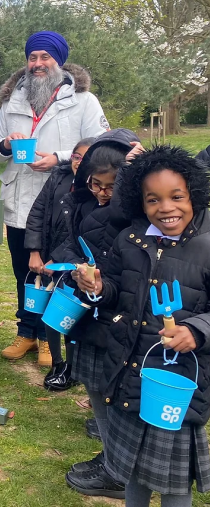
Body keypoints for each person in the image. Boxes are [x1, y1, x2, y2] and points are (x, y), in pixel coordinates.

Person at [73, 145, 210, 506]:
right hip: (129, 371)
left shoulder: (207, 246)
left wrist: (196, 330)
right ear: (140, 201)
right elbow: (117, 294)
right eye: (153, 200)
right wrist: (99, 287)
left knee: (172, 482)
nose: (166, 208)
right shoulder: (130, 240)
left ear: (193, 193)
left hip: (178, 382)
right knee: (132, 469)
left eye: (177, 197)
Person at [0, 31, 109, 365]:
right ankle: (26, 331)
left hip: (62, 204)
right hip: (18, 201)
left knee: (56, 271)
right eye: (32, 57)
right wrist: (7, 146)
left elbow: (101, 148)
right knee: (22, 270)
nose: (38, 64)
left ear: (59, 60)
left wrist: (57, 157)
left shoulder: (83, 101)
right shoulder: (13, 99)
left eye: (45, 57)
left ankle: (47, 336)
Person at [53, 129, 141, 499]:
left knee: (112, 393)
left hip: (117, 315)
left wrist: (139, 168)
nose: (103, 192)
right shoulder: (85, 205)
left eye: (112, 186)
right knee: (94, 387)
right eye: (96, 184)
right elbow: (69, 241)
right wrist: (72, 263)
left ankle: (119, 474)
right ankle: (111, 459)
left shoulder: (134, 215)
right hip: (89, 310)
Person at [25, 137, 93, 385]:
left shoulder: (97, 187)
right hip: (48, 259)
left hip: (76, 264)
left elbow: (82, 232)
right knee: (49, 316)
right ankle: (57, 364)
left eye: (85, 158)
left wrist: (58, 258)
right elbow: (37, 212)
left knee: (70, 316)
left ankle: (73, 369)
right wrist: (35, 251)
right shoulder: (58, 177)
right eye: (76, 157)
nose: (79, 163)